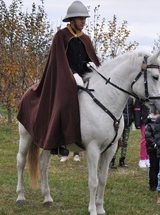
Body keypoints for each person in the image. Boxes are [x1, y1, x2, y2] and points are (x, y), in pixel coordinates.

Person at [17, 1, 100, 154]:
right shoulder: (61, 36)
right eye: (80, 18)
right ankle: (58, 141)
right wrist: (72, 74)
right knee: (64, 99)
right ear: (72, 19)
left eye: (84, 18)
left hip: (84, 77)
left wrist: (93, 66)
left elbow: (90, 58)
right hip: (64, 77)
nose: (83, 22)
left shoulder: (86, 38)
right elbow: (58, 60)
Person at [110, 97, 135, 169]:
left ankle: (122, 159)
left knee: (125, 142)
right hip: (120, 124)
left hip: (127, 124)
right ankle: (112, 160)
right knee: (117, 143)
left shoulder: (130, 99)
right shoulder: (119, 98)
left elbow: (132, 110)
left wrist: (131, 119)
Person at [145, 112, 160, 191]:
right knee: (153, 166)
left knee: (159, 166)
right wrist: (155, 145)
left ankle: (158, 183)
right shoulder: (149, 126)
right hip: (152, 149)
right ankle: (152, 185)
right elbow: (148, 136)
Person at [134, 100, 151, 168]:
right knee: (144, 140)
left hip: (152, 120)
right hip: (144, 121)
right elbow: (137, 110)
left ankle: (148, 158)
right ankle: (142, 158)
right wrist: (137, 123)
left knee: (150, 140)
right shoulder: (140, 99)